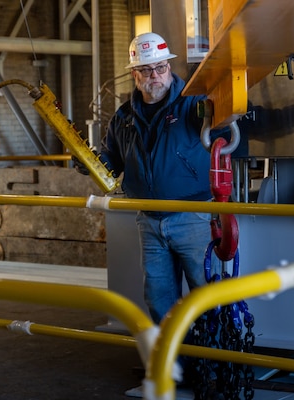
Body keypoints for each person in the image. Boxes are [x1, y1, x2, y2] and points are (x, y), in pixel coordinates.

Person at [76, 32, 228, 325]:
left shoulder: (194, 106)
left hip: (193, 217)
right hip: (149, 220)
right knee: (158, 296)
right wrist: (90, 162)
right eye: (146, 70)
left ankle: (213, 366)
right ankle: (172, 366)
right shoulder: (123, 118)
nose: (154, 76)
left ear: (169, 68)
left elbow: (225, 131)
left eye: (160, 68)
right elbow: (112, 160)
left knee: (205, 295)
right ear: (134, 74)